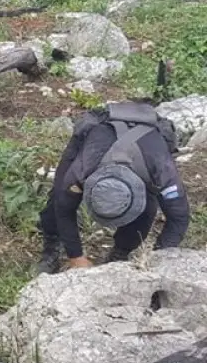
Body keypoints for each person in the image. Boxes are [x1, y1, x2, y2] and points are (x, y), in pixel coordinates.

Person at [36, 101, 190, 275]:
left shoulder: (162, 169)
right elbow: (64, 208)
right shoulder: (82, 170)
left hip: (148, 146)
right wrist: (76, 257)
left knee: (146, 211)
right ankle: (52, 245)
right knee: (59, 195)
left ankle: (121, 252)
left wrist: (157, 260)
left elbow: (179, 218)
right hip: (99, 131)